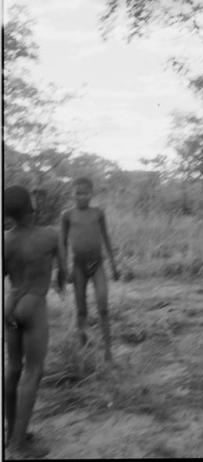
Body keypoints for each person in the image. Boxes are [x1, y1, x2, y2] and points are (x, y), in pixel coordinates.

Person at [4, 185, 67, 458]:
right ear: (32, 207)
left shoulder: (5, 240)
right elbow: (63, 270)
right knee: (33, 373)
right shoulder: (50, 236)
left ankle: (10, 433)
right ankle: (19, 445)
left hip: (10, 306)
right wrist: (62, 283)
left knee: (13, 369)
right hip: (33, 306)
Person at [61, 177, 119, 362]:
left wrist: (113, 264)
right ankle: (83, 348)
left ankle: (108, 350)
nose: (81, 197)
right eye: (78, 193)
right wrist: (65, 268)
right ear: (72, 194)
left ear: (91, 194)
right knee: (81, 309)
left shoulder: (98, 213)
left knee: (103, 307)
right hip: (78, 265)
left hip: (97, 263)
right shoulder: (67, 215)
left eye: (85, 193)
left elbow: (106, 237)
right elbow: (62, 244)